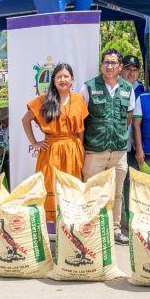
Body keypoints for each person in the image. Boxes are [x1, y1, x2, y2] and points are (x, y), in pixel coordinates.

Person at [22, 63, 88, 230]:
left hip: (73, 150)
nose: (63, 79)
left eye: (66, 76)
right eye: (59, 76)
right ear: (54, 80)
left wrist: (81, 148)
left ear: (72, 80)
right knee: (49, 185)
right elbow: (25, 119)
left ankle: (70, 228)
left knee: (71, 186)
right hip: (51, 150)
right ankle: (50, 229)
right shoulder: (44, 99)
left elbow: (81, 129)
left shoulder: (79, 100)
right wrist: (34, 142)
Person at [81, 48, 136, 245]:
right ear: (101, 65)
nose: (110, 66)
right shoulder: (88, 87)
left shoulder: (127, 89)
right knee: (92, 191)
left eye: (114, 63)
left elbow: (128, 118)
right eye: (106, 62)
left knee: (117, 193)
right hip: (95, 151)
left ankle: (114, 230)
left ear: (120, 67)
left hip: (119, 151)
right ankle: (92, 231)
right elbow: (81, 120)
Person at [120, 55, 144, 231]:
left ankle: (130, 218)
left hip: (135, 146)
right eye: (128, 69)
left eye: (135, 70)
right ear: (121, 69)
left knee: (132, 183)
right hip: (116, 144)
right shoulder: (115, 86)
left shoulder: (142, 89)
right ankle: (117, 220)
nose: (131, 73)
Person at [0, 107, 8, 178]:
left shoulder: (15, 129)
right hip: (2, 155)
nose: (2, 122)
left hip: (8, 155)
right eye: (1, 120)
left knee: (9, 163)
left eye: (4, 120)